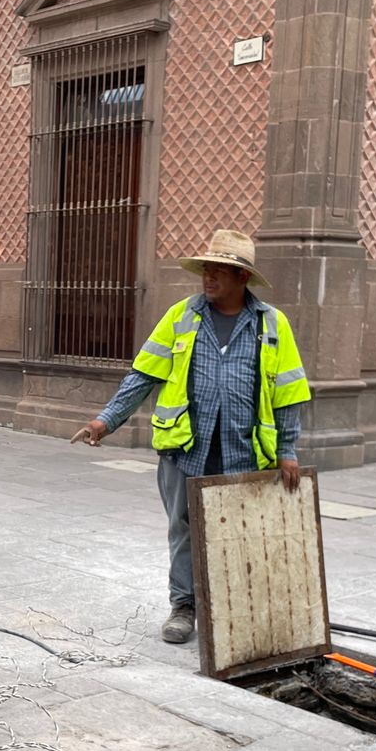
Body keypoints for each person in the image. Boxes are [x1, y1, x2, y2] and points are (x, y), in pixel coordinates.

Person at [71, 229, 311, 644]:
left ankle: (236, 607)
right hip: (186, 448)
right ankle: (184, 606)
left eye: (221, 270)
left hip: (245, 449)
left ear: (243, 278)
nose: (209, 277)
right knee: (183, 527)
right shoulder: (182, 315)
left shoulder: (272, 324)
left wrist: (288, 451)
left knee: (241, 530)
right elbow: (143, 374)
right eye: (207, 269)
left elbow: (290, 392)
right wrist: (105, 420)